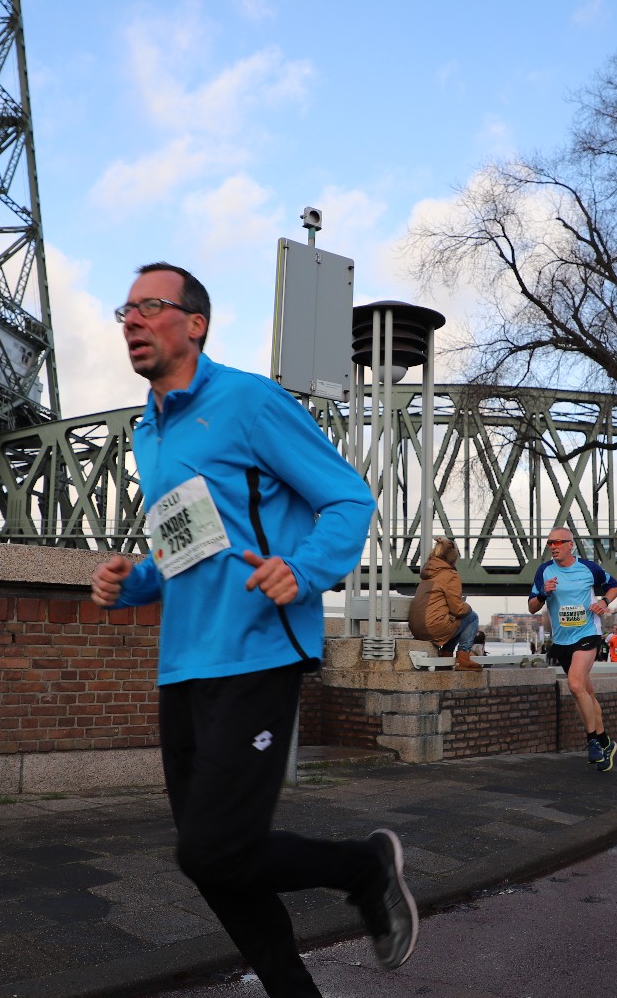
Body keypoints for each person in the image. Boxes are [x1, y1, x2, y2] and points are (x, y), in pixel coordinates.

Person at [89, 263, 417, 998]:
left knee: (213, 850)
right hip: (183, 665)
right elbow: (189, 545)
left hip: (258, 653)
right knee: (213, 859)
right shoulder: (149, 432)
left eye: (150, 306)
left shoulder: (250, 401)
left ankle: (364, 868)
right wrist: (132, 582)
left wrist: (301, 570)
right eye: (126, 309)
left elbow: (348, 499)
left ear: (194, 323)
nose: (131, 320)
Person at [529, 527, 617, 771]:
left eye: (558, 542)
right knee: (586, 693)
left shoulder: (588, 568)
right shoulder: (544, 571)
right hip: (562, 641)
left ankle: (592, 741)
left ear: (571, 544)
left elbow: (615, 586)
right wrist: (543, 593)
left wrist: (604, 601)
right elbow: (531, 607)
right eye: (550, 543)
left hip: (587, 634)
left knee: (574, 684)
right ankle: (606, 742)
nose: (553, 547)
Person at [410, 536, 481, 671]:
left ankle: (446, 654)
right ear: (453, 557)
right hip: (433, 628)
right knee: (471, 617)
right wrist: (468, 607)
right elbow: (458, 609)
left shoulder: (428, 573)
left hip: (417, 629)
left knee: (456, 621)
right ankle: (463, 658)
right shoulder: (450, 574)